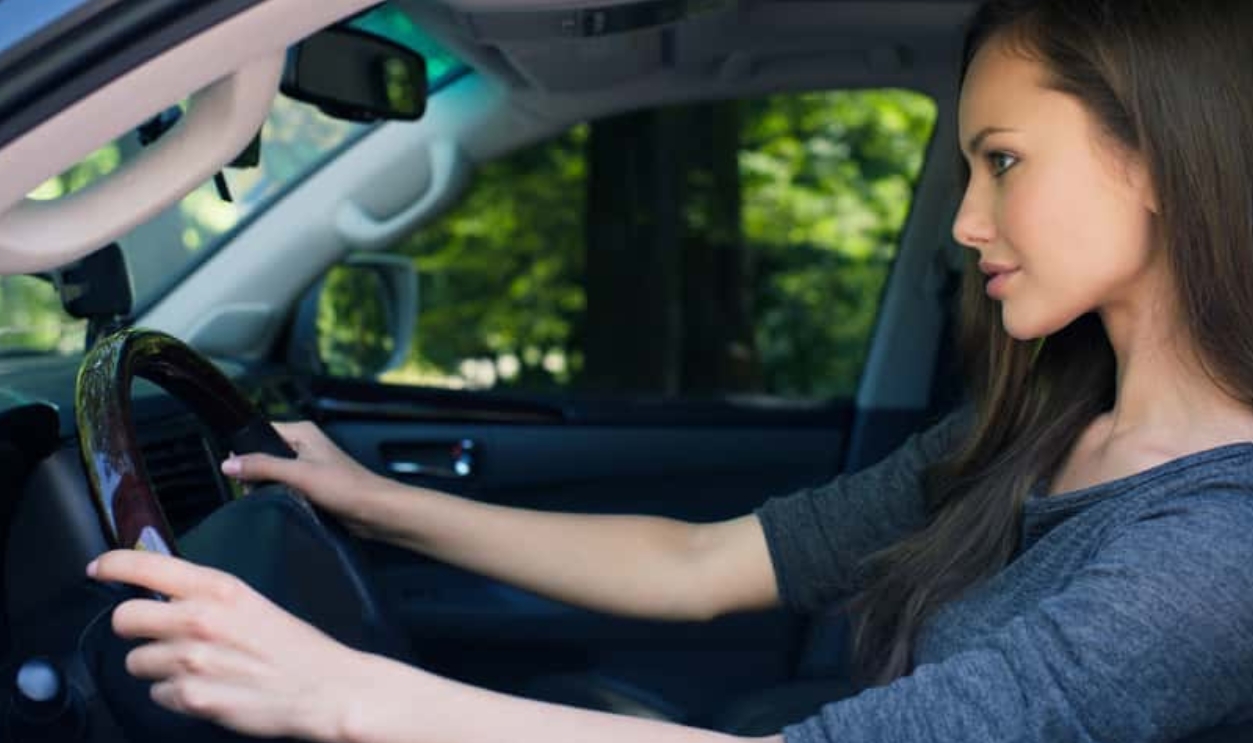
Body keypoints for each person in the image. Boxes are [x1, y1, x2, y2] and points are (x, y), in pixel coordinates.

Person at [86, 0, 1253, 740]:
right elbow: (697, 560)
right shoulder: (1033, 431)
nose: (964, 220)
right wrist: (374, 498)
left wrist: (341, 696)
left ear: (1157, 156)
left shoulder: (1217, 548)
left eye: (1000, 161)